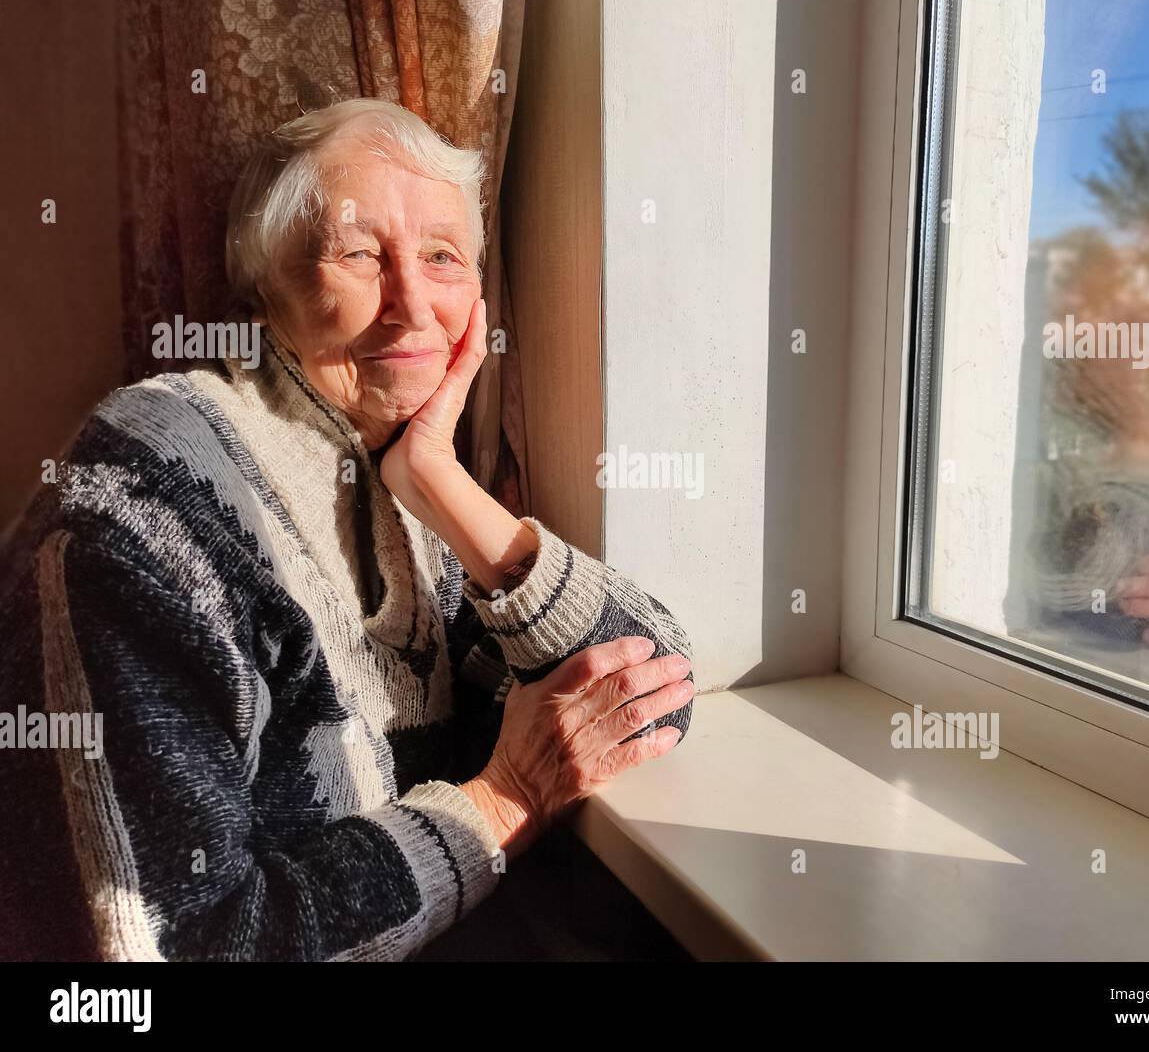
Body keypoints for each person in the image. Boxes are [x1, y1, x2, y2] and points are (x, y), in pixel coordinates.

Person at [0, 98, 695, 961]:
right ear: (266, 295)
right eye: (359, 254)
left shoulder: (396, 479)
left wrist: (441, 484)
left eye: (443, 256)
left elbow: (654, 685)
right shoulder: (146, 508)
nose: (410, 305)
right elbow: (165, 951)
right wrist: (504, 799)